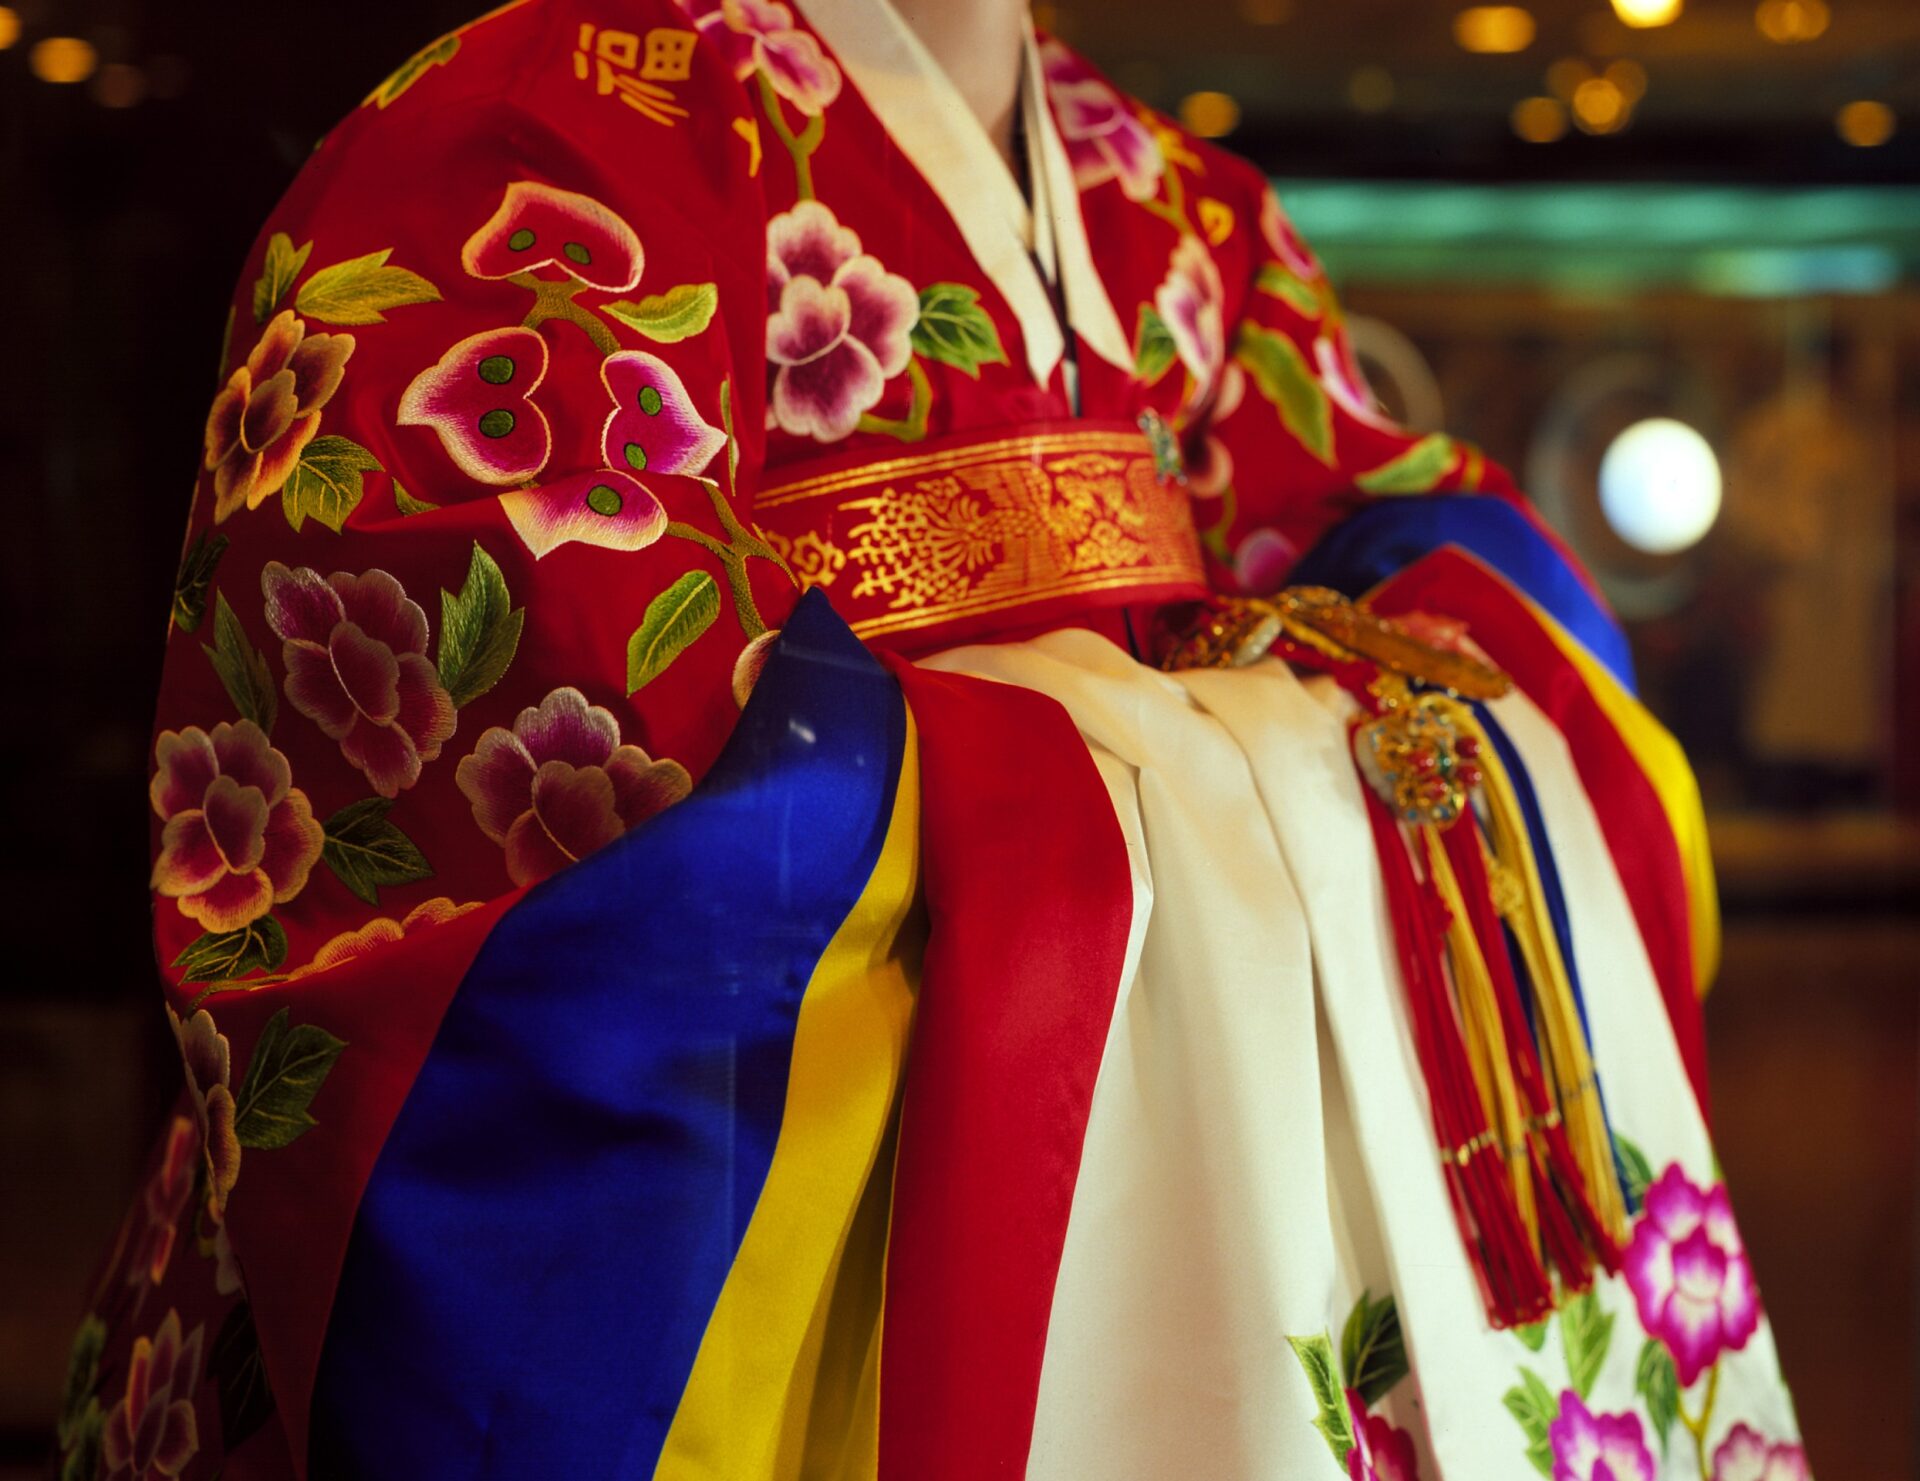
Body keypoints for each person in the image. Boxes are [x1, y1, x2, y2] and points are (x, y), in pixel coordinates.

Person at [55, 0, 1806, 1475]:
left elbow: (1458, 588)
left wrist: (1173, 755)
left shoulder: (1177, 215)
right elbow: (570, 811)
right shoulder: (516, 153)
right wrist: (1212, 759)